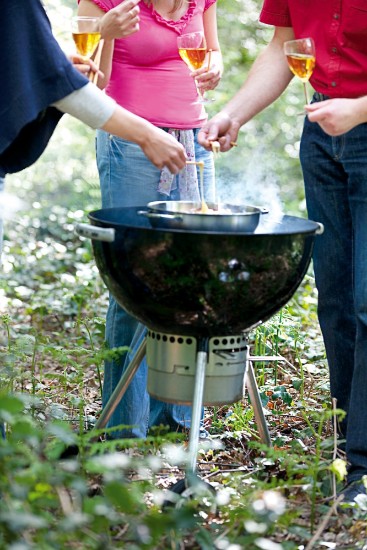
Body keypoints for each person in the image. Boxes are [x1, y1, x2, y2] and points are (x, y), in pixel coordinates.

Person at [198, 1, 367, 505]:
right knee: (335, 299)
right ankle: (348, 446)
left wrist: (359, 109)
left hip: (359, 118)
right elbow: (281, 48)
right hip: (323, 137)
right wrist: (233, 114)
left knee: (366, 302)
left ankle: (363, 466)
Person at [0, 0, 187, 436]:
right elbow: (64, 86)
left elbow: (35, 67)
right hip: (133, 143)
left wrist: (49, 66)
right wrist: (145, 133)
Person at [76, 0, 223, 439]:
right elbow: (88, 86)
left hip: (194, 144)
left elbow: (210, 52)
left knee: (190, 278)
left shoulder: (201, 1)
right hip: (131, 147)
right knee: (133, 279)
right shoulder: (107, 2)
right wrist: (104, 31)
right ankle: (123, 425)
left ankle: (175, 422)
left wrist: (213, 68)